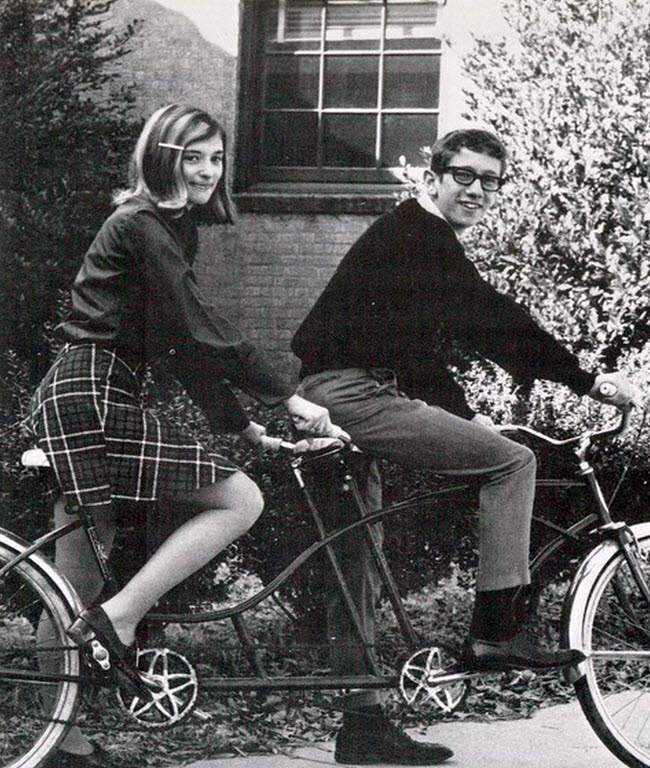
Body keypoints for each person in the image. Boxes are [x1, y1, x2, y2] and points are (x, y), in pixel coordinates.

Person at [291, 128, 642, 766]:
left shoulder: (414, 239)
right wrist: (589, 381)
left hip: (340, 393)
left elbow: (418, 349)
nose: (477, 189)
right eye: (464, 175)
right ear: (433, 177)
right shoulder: (421, 239)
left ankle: (362, 728)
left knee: (356, 562)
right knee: (514, 462)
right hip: (352, 396)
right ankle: (495, 633)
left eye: (490, 180)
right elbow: (497, 322)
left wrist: (465, 418)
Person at [27, 104, 346, 767]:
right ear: (160, 157)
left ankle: (61, 743)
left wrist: (247, 427)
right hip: (91, 392)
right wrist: (285, 394)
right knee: (240, 502)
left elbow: (181, 346)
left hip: (85, 391)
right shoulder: (141, 223)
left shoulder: (165, 230)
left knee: (75, 576)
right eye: (191, 155)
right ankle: (121, 620)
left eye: (216, 157)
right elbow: (203, 325)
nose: (206, 170)